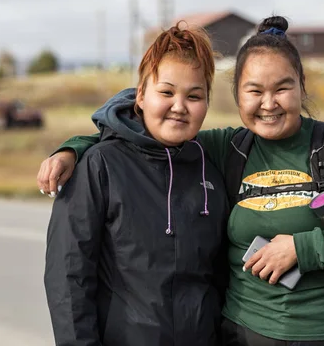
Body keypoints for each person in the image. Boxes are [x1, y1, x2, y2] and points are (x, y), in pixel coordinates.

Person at [39, 16, 324, 346]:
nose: (269, 103)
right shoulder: (224, 149)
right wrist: (75, 148)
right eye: (254, 90)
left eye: (282, 88)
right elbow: (143, 136)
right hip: (247, 333)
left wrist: (302, 248)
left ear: (301, 88)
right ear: (237, 96)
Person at [43, 23, 230, 346]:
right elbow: (68, 277)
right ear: (140, 96)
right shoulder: (100, 165)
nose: (179, 106)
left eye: (194, 95)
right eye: (167, 92)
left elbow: (220, 279)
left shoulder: (210, 169)